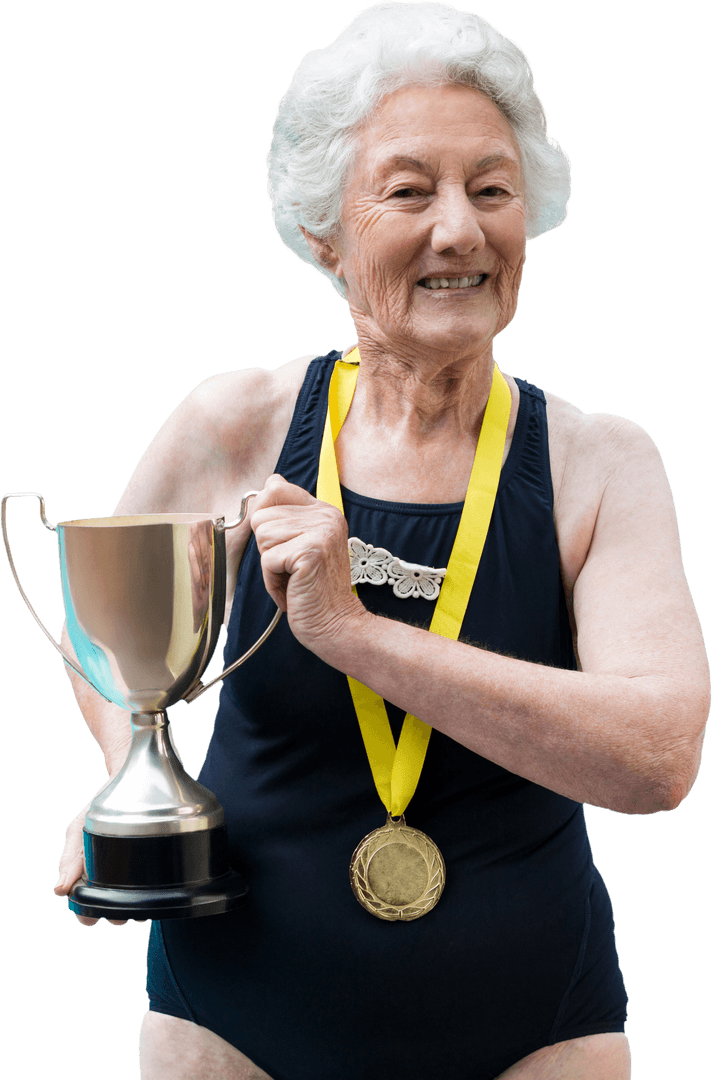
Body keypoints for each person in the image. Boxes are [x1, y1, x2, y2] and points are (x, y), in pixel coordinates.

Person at [52, 4, 709, 1079]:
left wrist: (356, 637)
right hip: (228, 1028)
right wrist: (132, 779)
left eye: (491, 190)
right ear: (325, 233)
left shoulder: (602, 462)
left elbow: (659, 758)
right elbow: (103, 626)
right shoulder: (237, 426)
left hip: (536, 1037)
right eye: (408, 191)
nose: (460, 230)